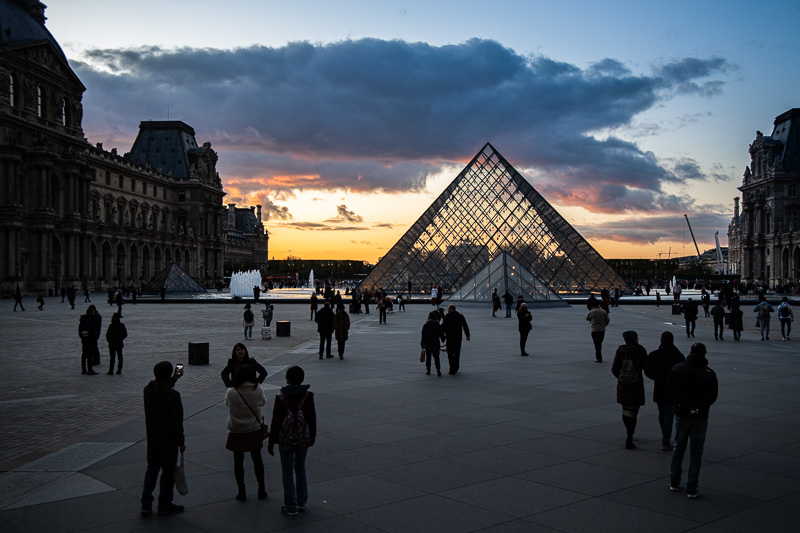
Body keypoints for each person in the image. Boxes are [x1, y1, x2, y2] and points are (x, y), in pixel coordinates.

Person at [667, 343, 718, 498]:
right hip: (700, 416)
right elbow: (712, 396)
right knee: (696, 452)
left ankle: (674, 482)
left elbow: (669, 389)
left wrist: (682, 402)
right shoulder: (709, 373)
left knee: (678, 447)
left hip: (682, 412)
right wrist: (698, 405)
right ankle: (692, 487)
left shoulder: (677, 368)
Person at [268, 365, 316, 516]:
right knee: (300, 467)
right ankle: (302, 501)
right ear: (302, 379)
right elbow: (312, 419)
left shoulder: (281, 397)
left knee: (287, 472)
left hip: (286, 440)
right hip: (303, 439)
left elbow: (276, 422)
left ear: (287, 379)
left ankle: (291, 505)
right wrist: (311, 437)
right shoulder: (308, 396)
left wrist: (271, 442)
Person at [141, 361, 186, 516]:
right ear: (168, 374)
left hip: (152, 439)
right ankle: (164, 504)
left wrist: (173, 379)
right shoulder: (173, 395)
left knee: (151, 471)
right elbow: (176, 421)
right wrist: (181, 441)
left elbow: (161, 392)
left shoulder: (147, 390)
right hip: (169, 441)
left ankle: (146, 504)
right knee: (167, 473)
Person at [225, 364, 267, 501]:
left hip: (236, 430)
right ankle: (261, 488)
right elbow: (263, 402)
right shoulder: (258, 389)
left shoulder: (232, 392)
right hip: (253, 428)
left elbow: (228, 404)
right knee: (257, 459)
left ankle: (241, 490)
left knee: (238, 461)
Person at [645, 331, 685, 451]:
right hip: (673, 389)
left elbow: (648, 371)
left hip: (659, 387)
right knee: (669, 413)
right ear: (672, 341)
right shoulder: (678, 356)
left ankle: (665, 436)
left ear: (661, 340)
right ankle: (665, 439)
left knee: (662, 413)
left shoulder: (653, 355)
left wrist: (656, 377)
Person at [611, 331, 650, 449]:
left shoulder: (620, 351)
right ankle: (630, 434)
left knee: (625, 410)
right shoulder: (640, 350)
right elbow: (647, 367)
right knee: (634, 411)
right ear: (635, 338)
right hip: (636, 384)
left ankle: (629, 431)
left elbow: (614, 368)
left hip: (623, 384)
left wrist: (622, 377)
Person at [442, 304, 470, 375]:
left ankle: (452, 369)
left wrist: (440, 334)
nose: (447, 310)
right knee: (457, 353)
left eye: (448, 308)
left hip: (450, 337)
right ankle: (456, 367)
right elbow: (465, 325)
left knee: (450, 354)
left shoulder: (447, 316)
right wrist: (467, 335)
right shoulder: (460, 316)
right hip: (458, 338)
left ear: (450, 309)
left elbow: (443, 326)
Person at [421, 310, 446, 376]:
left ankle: (428, 370)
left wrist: (422, 344)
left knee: (428, 358)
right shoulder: (437, 325)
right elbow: (441, 333)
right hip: (436, 343)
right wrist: (443, 339)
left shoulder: (426, 325)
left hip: (428, 343)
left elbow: (423, 335)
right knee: (437, 357)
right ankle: (438, 370)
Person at [78, 305, 102, 375]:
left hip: (84, 338)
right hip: (90, 339)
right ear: (90, 313)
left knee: (84, 354)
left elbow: (79, 329)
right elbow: (93, 330)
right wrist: (95, 336)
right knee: (89, 355)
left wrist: (82, 336)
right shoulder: (90, 320)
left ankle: (84, 369)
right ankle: (90, 369)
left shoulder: (83, 319)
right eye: (93, 312)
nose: (94, 314)